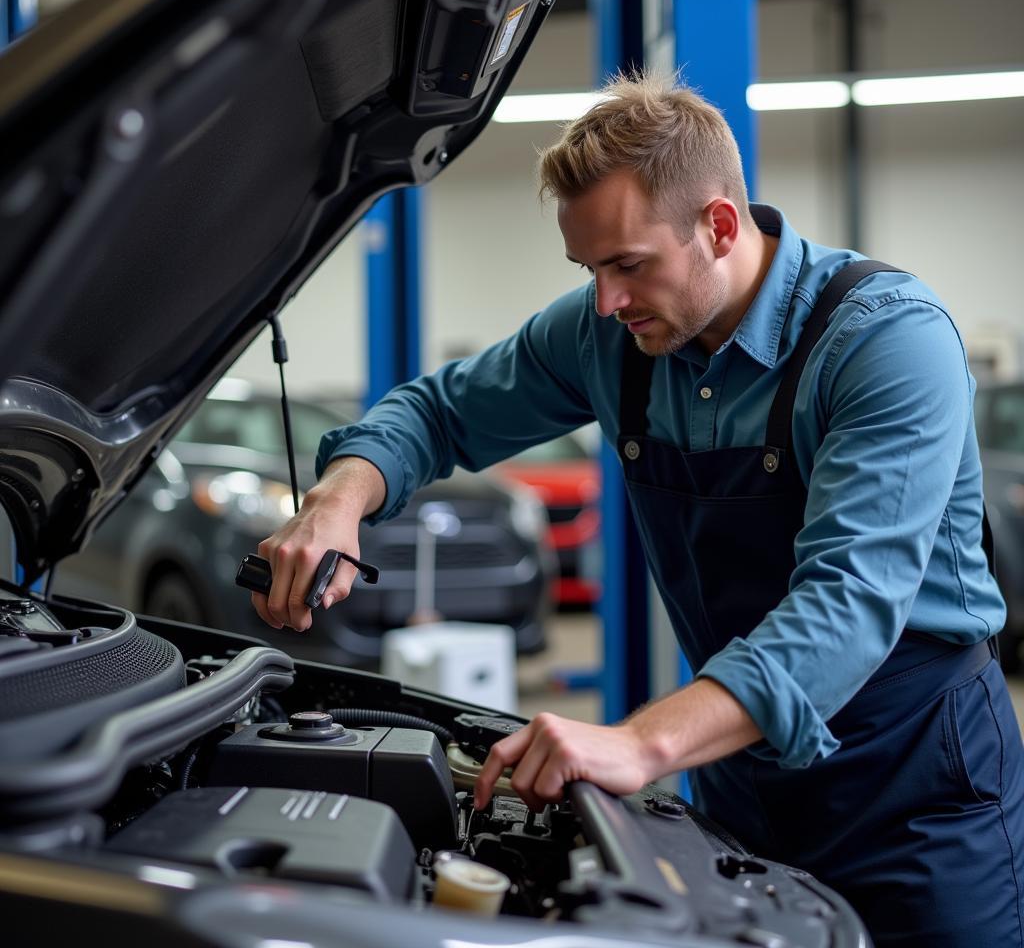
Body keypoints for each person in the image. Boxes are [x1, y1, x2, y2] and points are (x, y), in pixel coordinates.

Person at [250, 72, 1024, 946]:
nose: (608, 300)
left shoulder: (886, 341)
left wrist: (644, 743)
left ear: (719, 226)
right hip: (738, 774)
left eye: (628, 264)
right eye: (589, 270)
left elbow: (850, 599)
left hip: (920, 789)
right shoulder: (606, 334)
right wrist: (337, 498)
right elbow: (439, 411)